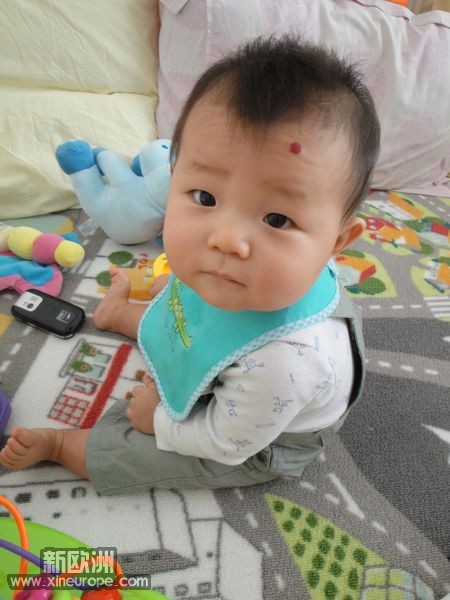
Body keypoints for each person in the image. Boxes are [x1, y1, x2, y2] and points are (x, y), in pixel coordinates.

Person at [0, 36, 380, 493]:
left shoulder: (287, 362)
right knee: (185, 303)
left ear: (336, 243)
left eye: (277, 219)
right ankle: (121, 316)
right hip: (242, 364)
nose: (225, 240)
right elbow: (191, 311)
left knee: (142, 453)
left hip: (262, 435)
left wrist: (157, 421)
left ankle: (64, 446)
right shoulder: (242, 274)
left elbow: (225, 443)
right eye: (205, 197)